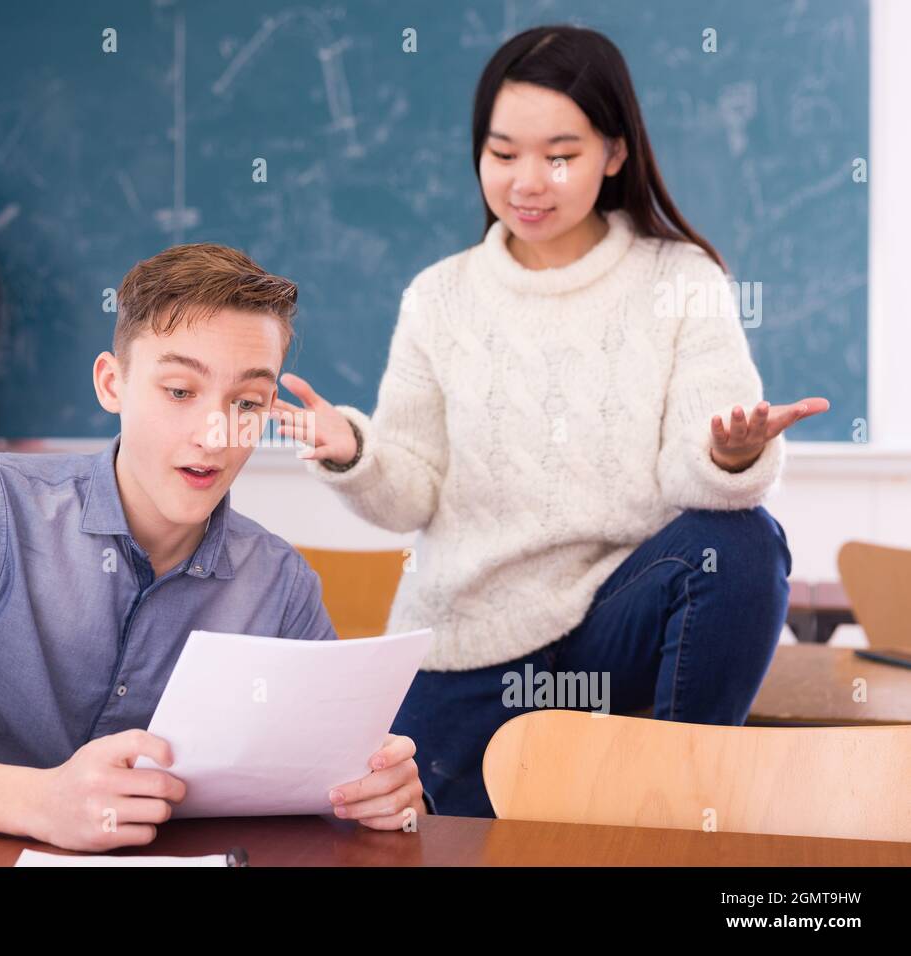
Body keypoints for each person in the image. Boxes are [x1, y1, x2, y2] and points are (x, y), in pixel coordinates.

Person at [271, 25, 830, 817]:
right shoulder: (441, 296)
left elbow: (690, 471)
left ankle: (679, 821)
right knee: (399, 829)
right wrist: (355, 452)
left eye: (560, 154)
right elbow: (411, 494)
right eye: (503, 154)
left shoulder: (683, 280)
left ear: (614, 152)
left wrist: (726, 456)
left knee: (741, 541)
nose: (528, 181)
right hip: (470, 649)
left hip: (614, 632)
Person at [0, 243, 432, 850]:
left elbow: (327, 794)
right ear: (111, 383)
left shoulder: (281, 585)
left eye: (248, 402)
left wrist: (384, 796)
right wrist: (36, 800)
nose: (214, 435)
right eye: (180, 391)